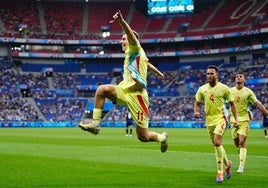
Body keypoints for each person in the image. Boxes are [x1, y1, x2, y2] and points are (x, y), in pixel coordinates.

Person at [78, 10, 168, 153]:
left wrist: (121, 21)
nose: (121, 41)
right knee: (102, 90)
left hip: (138, 97)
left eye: (124, 39)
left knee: (142, 137)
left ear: (133, 41)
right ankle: (95, 124)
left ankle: (161, 138)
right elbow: (147, 63)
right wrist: (158, 72)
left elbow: (132, 37)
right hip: (126, 90)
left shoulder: (135, 47)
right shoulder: (136, 55)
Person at [194, 65, 238, 183]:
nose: (209, 75)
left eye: (212, 73)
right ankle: (227, 164)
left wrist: (236, 119)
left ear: (217, 75)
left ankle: (220, 172)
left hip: (221, 118)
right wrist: (196, 111)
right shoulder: (202, 89)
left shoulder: (224, 88)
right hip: (209, 120)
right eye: (208, 74)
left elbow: (232, 104)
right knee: (216, 145)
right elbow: (197, 103)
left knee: (218, 142)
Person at [229, 73, 268, 173]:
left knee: (242, 141)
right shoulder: (230, 91)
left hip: (244, 119)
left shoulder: (248, 92)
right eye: (237, 76)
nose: (238, 77)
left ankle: (241, 166)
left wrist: (266, 113)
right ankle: (241, 151)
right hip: (233, 119)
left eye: (240, 76)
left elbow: (257, 104)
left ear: (244, 80)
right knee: (237, 143)